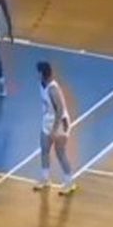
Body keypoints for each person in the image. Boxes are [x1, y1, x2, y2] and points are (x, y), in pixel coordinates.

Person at [33, 62, 77, 196]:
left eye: (38, 71)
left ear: (42, 73)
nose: (36, 74)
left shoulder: (53, 90)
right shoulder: (42, 84)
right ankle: (45, 179)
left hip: (60, 123)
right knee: (44, 149)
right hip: (47, 121)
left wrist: (54, 130)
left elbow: (60, 110)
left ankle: (69, 182)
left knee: (60, 152)